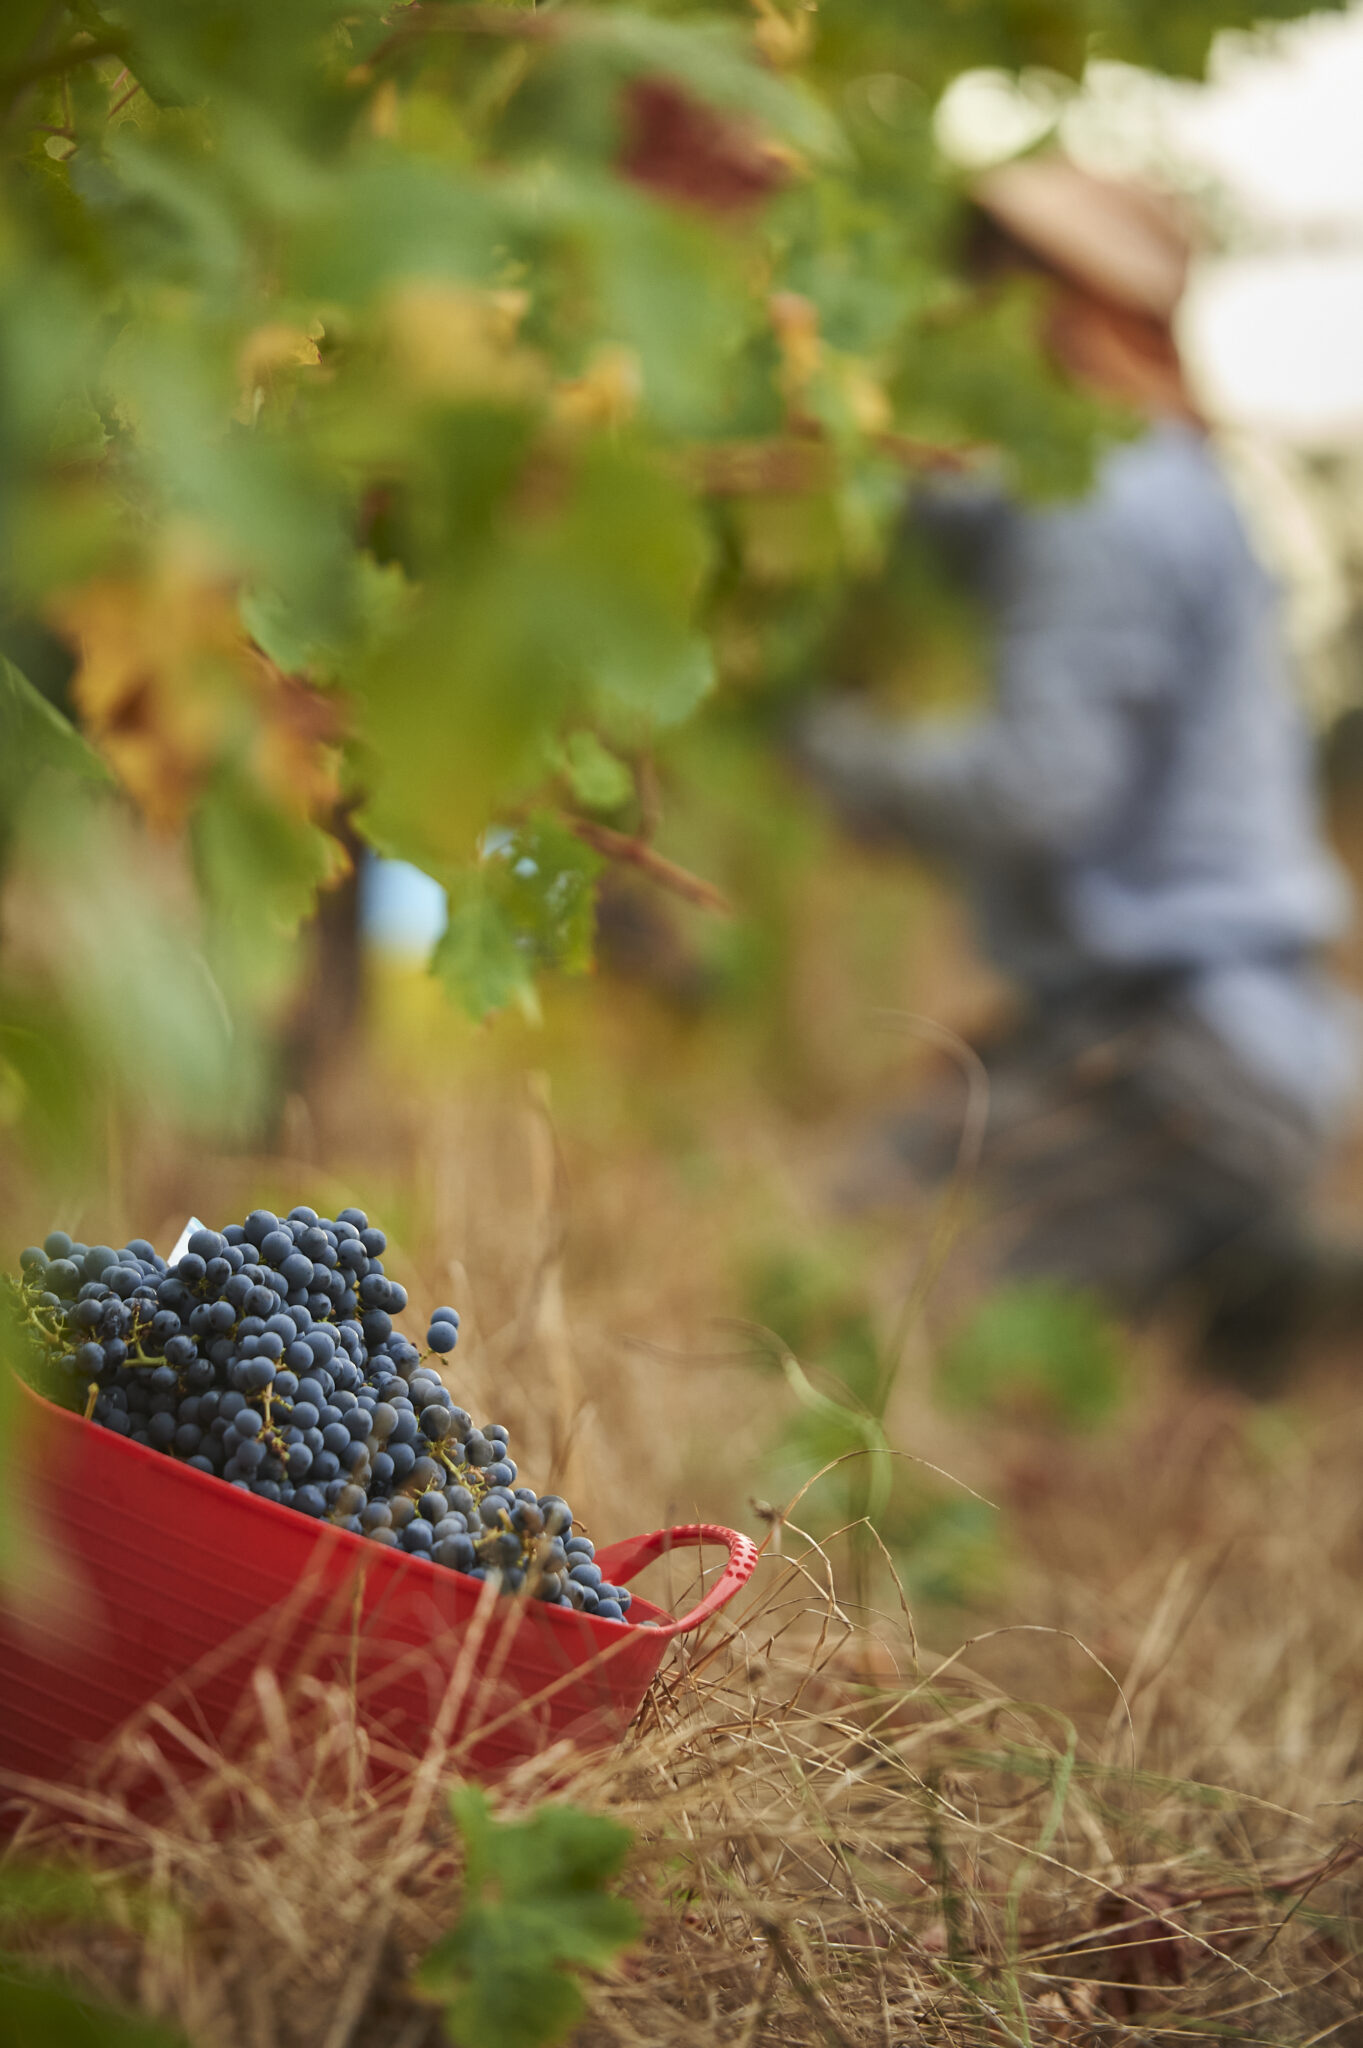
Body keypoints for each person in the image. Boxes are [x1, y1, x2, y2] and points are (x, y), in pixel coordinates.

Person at [795, 156, 1359, 1387]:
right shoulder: (1164, 481)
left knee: (848, 1282)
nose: (966, 306)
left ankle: (1267, 1266)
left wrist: (827, 750)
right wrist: (801, 455)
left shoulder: (1100, 504)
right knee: (1202, 1399)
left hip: (1172, 1054)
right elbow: (960, 515)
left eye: (1000, 280)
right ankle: (1271, 1270)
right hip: (1243, 1045)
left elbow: (1033, 783)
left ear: (1078, 305)